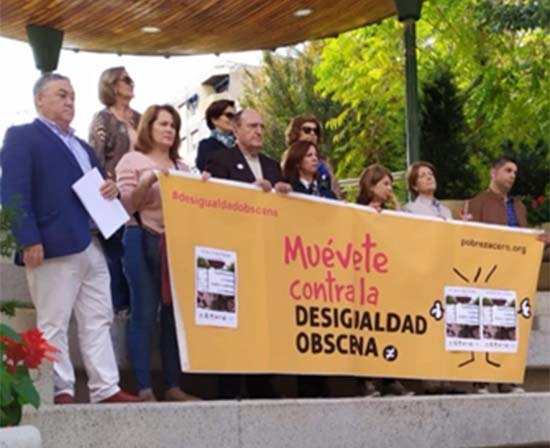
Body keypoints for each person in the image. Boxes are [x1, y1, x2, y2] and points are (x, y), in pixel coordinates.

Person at [0, 73, 140, 404]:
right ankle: (59, 389)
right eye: (61, 94)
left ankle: (105, 388)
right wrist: (28, 238)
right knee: (54, 320)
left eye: (73, 96)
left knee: (99, 318)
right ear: (40, 99)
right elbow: (13, 191)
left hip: (93, 241)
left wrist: (111, 189)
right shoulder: (23, 136)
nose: (69, 101)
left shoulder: (83, 147)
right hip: (51, 243)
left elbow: (96, 188)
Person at [205, 108, 291, 399]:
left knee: (261, 320)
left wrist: (285, 194)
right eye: (253, 126)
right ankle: (228, 388)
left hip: (264, 254)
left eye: (262, 127)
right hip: (231, 254)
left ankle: (262, 383)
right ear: (236, 129)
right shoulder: (220, 160)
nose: (259, 131)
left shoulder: (272, 166)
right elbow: (214, 202)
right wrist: (248, 191)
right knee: (230, 320)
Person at [116, 105, 199, 402]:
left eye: (173, 126)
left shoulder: (182, 168)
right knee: (144, 311)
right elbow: (126, 205)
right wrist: (148, 180)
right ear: (148, 126)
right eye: (163, 124)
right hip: (140, 237)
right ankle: (144, 387)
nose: (169, 130)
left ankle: (173, 385)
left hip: (175, 243)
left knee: (174, 316)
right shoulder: (131, 160)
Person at [465, 156, 527, 394]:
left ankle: (506, 378)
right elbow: (470, 237)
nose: (513, 175)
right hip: (486, 272)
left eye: (515, 172)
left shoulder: (518, 206)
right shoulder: (477, 202)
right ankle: (481, 378)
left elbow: (524, 239)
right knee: (484, 320)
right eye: (508, 170)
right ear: (493, 172)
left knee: (507, 323)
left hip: (514, 272)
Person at [357, 164, 413, 396]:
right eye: (385, 184)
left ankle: (390, 378)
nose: (390, 189)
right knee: (367, 331)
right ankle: (366, 380)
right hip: (366, 281)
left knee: (389, 330)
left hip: (388, 280)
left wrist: (396, 207)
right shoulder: (356, 209)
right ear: (371, 186)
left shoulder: (389, 212)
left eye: (391, 184)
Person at [88, 66, 140, 314]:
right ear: (111, 85)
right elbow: (95, 158)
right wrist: (109, 186)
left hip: (143, 193)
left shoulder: (141, 118)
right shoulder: (103, 119)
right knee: (119, 252)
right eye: (126, 79)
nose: (132, 83)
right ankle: (120, 306)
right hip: (114, 193)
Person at [284, 114, 341, 198]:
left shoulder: (324, 163)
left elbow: (335, 189)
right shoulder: (287, 161)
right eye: (307, 130)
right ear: (296, 133)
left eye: (316, 131)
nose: (312, 133)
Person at [195, 99, 236, 172]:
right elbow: (205, 167)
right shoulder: (207, 145)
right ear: (214, 119)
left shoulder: (242, 144)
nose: (233, 120)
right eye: (229, 115)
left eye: (236, 117)